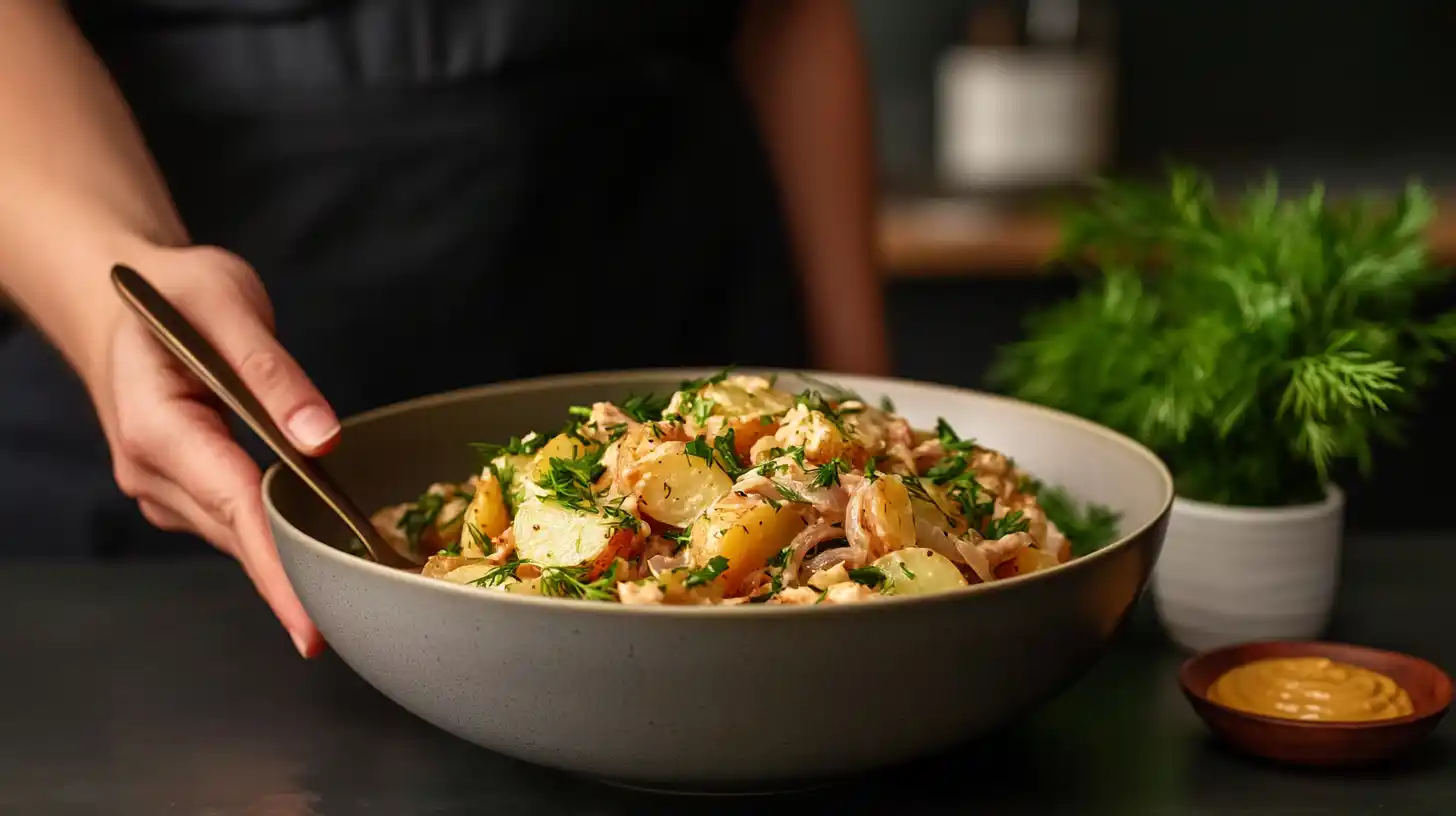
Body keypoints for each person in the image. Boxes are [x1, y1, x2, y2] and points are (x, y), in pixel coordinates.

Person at [0, 0, 891, 656]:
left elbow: (793, 16)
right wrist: (107, 268)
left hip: (666, 246)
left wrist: (866, 403)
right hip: (160, 503)